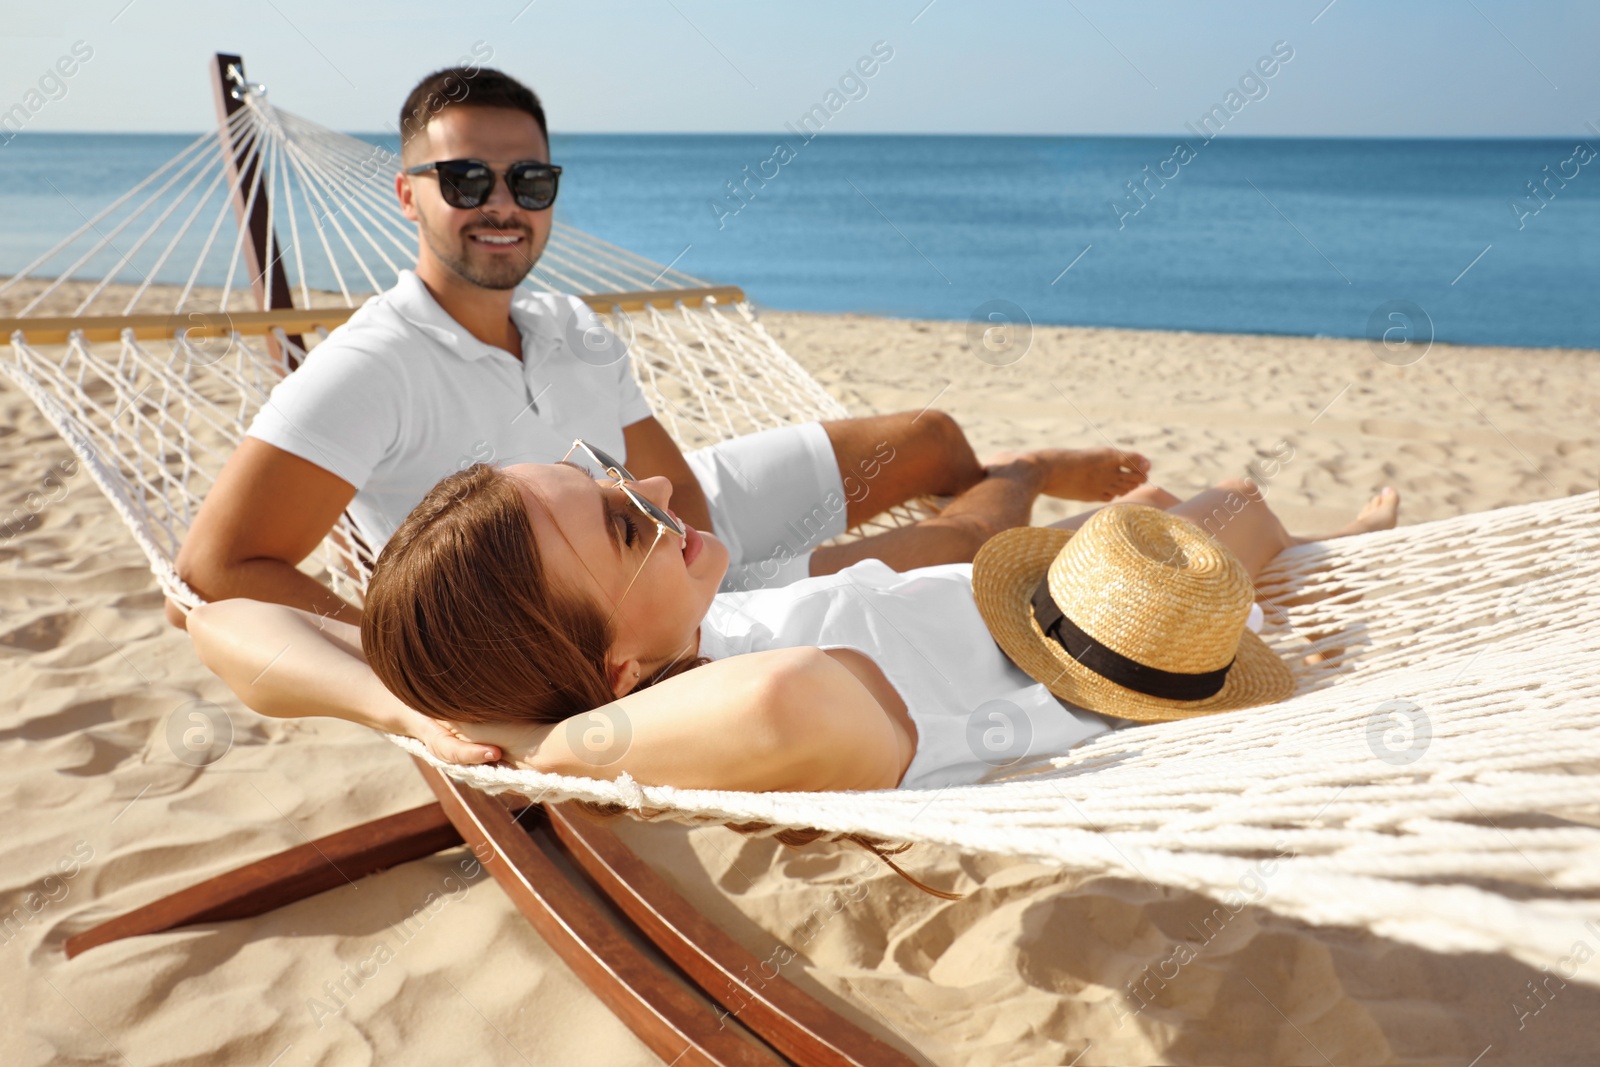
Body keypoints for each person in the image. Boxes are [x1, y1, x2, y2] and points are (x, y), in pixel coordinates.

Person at [167, 66, 1147, 630]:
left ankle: (987, 468)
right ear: (407, 193)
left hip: (674, 530)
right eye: (464, 180)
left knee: (929, 437)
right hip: (611, 599)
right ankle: (1018, 477)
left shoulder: (568, 326)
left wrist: (730, 548)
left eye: (528, 181)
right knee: (959, 547)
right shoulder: (370, 367)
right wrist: (401, 655)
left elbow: (676, 487)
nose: (501, 205)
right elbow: (211, 572)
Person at [186, 440, 1400, 792]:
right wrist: (551, 752)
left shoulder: (623, 669)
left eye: (606, 472)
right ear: (613, 666)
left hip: (1002, 596)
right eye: (623, 525)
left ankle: (1312, 545)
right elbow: (795, 695)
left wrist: (392, 698)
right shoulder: (701, 720)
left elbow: (219, 616)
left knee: (1225, 501)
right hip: (1103, 650)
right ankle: (1313, 553)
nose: (656, 491)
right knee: (1225, 507)